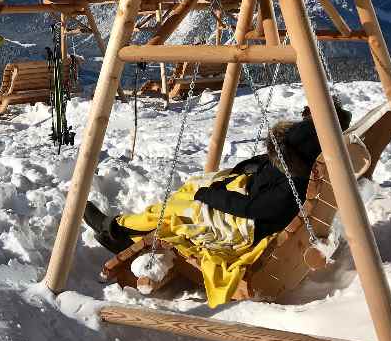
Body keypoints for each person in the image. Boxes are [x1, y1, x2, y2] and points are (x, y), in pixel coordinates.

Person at [85, 97, 353, 255]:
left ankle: (116, 228)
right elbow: (268, 175)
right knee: (190, 190)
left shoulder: (290, 186)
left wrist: (212, 196)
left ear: (293, 157)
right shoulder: (298, 166)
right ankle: (126, 233)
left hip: (246, 228)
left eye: (279, 154)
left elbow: (252, 209)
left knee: (181, 208)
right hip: (249, 198)